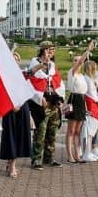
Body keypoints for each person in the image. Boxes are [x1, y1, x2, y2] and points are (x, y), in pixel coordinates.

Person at [26, 41, 65, 169]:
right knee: (40, 132)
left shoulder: (52, 65)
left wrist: (59, 98)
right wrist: (39, 97)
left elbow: (57, 82)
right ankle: (36, 159)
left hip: (53, 103)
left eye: (53, 50)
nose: (51, 52)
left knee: (52, 131)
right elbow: (32, 83)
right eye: (49, 49)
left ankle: (49, 158)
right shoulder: (35, 63)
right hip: (41, 104)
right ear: (43, 50)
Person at [0, 51, 32, 177]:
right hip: (10, 109)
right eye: (12, 59)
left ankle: (12, 163)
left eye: (17, 59)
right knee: (11, 137)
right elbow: (2, 92)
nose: (15, 61)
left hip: (22, 108)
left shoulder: (22, 75)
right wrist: (11, 105)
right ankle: (11, 163)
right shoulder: (3, 76)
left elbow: (27, 91)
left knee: (19, 137)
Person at [64, 41, 93, 163]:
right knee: (71, 130)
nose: (78, 61)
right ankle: (70, 156)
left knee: (77, 131)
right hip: (74, 100)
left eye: (78, 60)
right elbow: (81, 62)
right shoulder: (72, 72)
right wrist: (87, 50)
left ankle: (77, 155)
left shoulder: (82, 76)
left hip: (81, 101)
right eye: (75, 60)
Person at [80, 60, 98, 162]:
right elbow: (85, 94)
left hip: (94, 105)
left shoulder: (91, 79)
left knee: (91, 132)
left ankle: (88, 152)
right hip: (90, 106)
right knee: (88, 132)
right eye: (95, 68)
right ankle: (86, 153)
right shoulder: (86, 79)